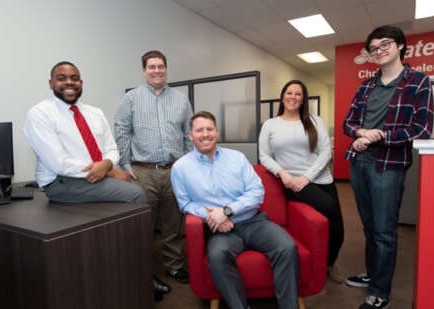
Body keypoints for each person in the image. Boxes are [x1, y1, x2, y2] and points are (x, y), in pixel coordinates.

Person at [343, 25, 434, 309]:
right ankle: (372, 275)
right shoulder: (366, 85)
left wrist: (380, 135)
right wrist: (360, 135)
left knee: (384, 232)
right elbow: (349, 123)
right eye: (373, 48)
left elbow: (423, 128)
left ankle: (380, 293)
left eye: (385, 45)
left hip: (389, 166)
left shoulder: (418, 82)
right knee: (370, 228)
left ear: (400, 47)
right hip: (359, 163)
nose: (379, 51)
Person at [171, 111, 300, 309]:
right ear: (190, 135)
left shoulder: (237, 158)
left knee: (287, 247)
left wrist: (227, 211)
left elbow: (257, 192)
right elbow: (185, 203)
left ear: (217, 132)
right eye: (199, 130)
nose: (205, 134)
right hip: (220, 231)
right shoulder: (180, 168)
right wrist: (212, 217)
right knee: (217, 256)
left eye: (209, 129)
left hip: (253, 222)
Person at [114, 50, 193, 296]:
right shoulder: (132, 99)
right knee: (142, 226)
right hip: (141, 172)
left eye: (160, 66)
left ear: (166, 69)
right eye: (152, 67)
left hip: (174, 171)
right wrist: (125, 166)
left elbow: (188, 135)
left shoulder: (180, 99)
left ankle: (173, 266)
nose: (157, 70)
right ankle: (142, 271)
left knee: (172, 222)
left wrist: (190, 166)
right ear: (144, 70)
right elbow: (122, 132)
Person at [258, 80, 345, 283]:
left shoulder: (314, 120)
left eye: (298, 94)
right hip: (292, 183)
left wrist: (308, 177)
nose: (293, 97)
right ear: (282, 96)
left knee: (338, 231)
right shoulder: (270, 124)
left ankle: (329, 264)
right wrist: (283, 173)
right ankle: (312, 262)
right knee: (327, 206)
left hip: (320, 179)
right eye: (289, 93)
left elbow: (325, 151)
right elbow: (264, 156)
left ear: (303, 99)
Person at [24, 61, 146, 205]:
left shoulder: (95, 113)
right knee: (137, 194)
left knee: (138, 186)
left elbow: (111, 149)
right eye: (62, 78)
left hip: (95, 176)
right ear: (51, 84)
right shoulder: (40, 114)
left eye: (74, 78)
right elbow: (59, 163)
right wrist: (109, 172)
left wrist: (107, 163)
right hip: (62, 180)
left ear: (81, 83)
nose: (69, 82)